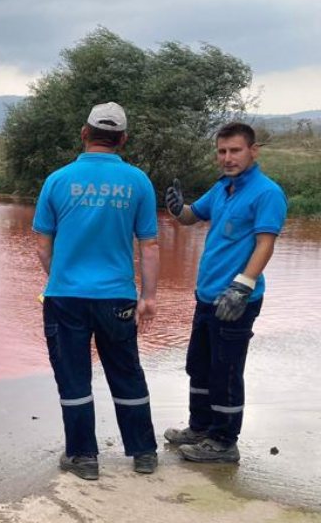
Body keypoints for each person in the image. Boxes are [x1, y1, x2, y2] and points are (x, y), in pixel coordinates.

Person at [33, 102, 160, 480]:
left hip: (66, 297)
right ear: (122, 139)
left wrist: (61, 277)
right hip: (117, 297)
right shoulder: (138, 182)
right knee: (126, 372)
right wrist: (148, 297)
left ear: (85, 133)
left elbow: (42, 242)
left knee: (73, 376)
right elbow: (148, 245)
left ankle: (84, 457)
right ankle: (143, 453)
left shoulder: (57, 180)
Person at [162, 122, 287, 463]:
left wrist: (242, 285)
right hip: (207, 295)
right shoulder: (222, 189)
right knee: (198, 366)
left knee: (226, 370)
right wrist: (177, 208)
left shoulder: (266, 193)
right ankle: (200, 427)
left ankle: (223, 441)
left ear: (253, 151)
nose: (228, 158)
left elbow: (266, 244)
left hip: (237, 300)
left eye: (235, 150)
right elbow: (190, 217)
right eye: (222, 151)